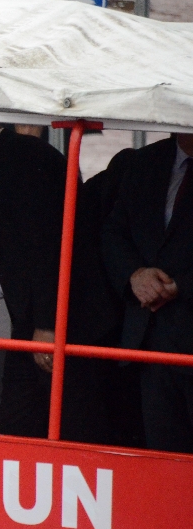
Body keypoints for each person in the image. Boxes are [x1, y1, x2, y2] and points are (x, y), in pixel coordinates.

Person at [0, 120, 117, 444]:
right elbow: (29, 249)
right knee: (21, 431)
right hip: (40, 323)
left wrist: (46, 324)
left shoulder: (21, 162)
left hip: (63, 327)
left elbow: (50, 245)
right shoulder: (8, 159)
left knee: (66, 431)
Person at [103, 134, 193, 453]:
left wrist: (181, 284)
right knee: (163, 463)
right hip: (151, 345)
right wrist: (135, 275)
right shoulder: (145, 162)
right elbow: (115, 233)